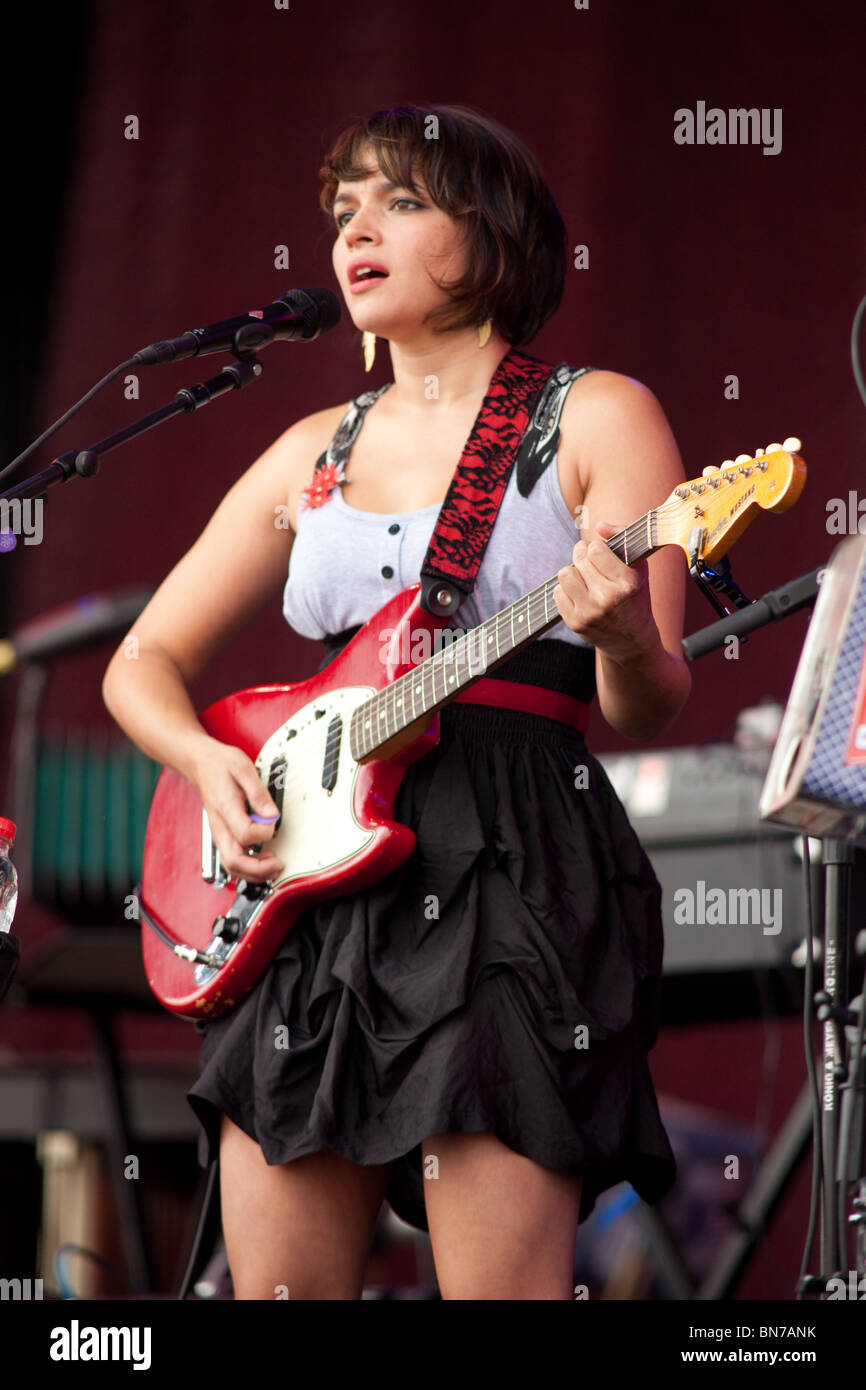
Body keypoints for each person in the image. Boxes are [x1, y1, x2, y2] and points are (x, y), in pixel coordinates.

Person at [102, 102, 692, 1300]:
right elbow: (140, 661)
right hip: (310, 893)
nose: (354, 227)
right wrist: (208, 763)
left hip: (505, 867)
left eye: (401, 200)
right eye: (342, 208)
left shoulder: (594, 415)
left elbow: (649, 702)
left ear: (493, 232)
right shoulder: (308, 451)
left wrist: (620, 630)